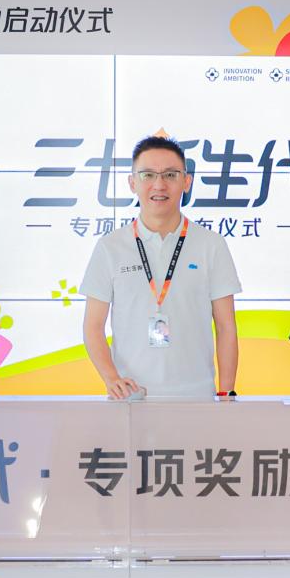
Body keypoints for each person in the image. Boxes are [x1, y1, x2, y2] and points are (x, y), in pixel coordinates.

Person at [81, 135, 241, 398]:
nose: (159, 184)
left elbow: (226, 327)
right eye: (148, 175)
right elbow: (92, 326)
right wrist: (112, 379)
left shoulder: (211, 244)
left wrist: (226, 391)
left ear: (186, 182)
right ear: (132, 183)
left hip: (197, 397)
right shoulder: (110, 247)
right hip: (132, 398)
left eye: (170, 175)